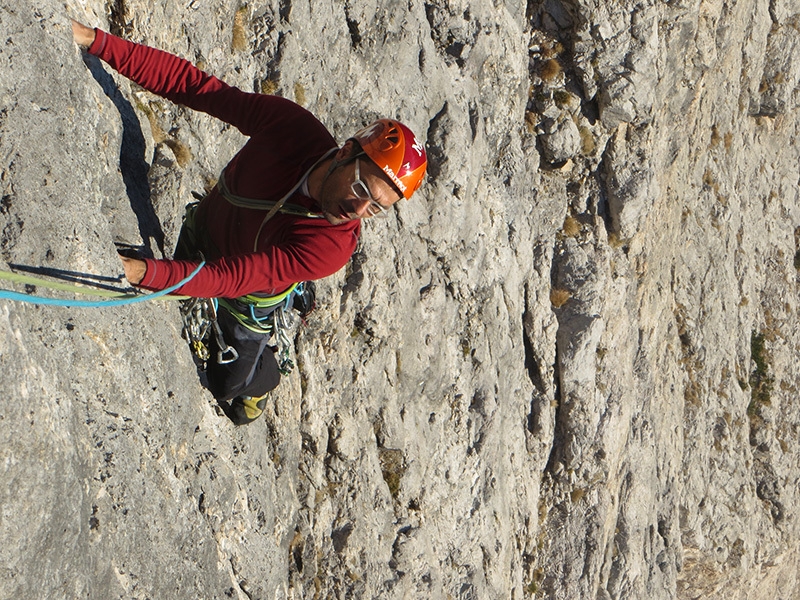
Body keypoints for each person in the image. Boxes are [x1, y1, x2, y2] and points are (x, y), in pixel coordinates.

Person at [71, 20, 427, 424]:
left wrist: (142, 272)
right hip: (205, 231)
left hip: (249, 297)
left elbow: (235, 277)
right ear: (345, 152)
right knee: (177, 295)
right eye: (362, 189)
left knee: (229, 389)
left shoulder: (332, 248)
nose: (359, 210)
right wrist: (96, 41)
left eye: (377, 208)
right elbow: (197, 89)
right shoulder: (293, 131)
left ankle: (265, 377)